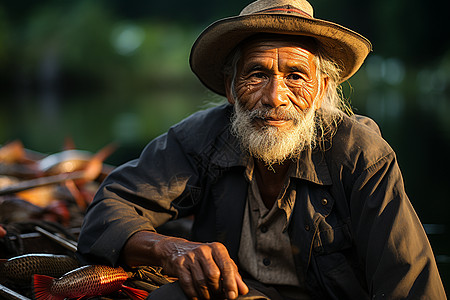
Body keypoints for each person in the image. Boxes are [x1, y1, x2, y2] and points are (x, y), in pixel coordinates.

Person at [77, 0, 447, 299]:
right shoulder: (201, 138)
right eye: (256, 74)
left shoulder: (360, 154)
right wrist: (170, 249)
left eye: (295, 76)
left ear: (320, 89)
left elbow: (409, 282)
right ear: (230, 86)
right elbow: (108, 211)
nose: (275, 98)